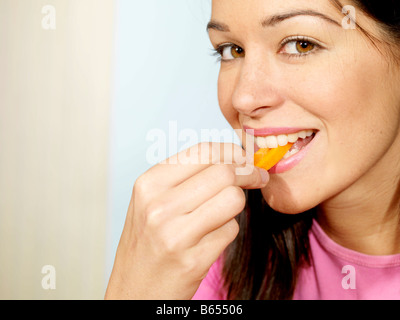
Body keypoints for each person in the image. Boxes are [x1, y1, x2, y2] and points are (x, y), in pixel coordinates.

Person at [105, 0, 400, 300]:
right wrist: (134, 290)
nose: (243, 98)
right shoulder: (207, 258)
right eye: (232, 50)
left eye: (301, 45)